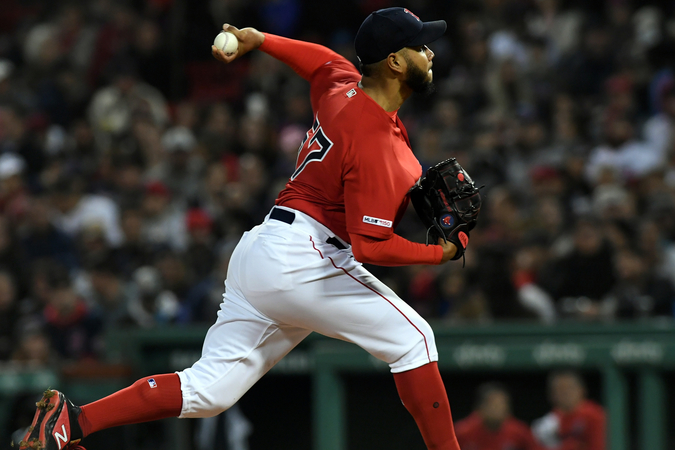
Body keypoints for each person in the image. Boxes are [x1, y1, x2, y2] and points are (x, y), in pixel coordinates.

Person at [18, 7, 464, 450]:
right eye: (419, 45)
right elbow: (369, 246)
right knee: (414, 339)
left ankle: (73, 422)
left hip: (263, 249)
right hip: (305, 258)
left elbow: (323, 62)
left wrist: (260, 39)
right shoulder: (376, 144)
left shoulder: (343, 88)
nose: (430, 52)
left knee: (209, 391)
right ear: (394, 62)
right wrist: (440, 253)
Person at [532, 370, 605, 450]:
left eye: (569, 388)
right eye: (559, 389)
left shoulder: (594, 415)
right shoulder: (547, 422)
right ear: (551, 394)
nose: (565, 393)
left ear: (582, 390)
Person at [455, 383, 539, 450]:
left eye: (503, 405)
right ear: (480, 408)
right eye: (494, 405)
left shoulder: (519, 431)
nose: (500, 409)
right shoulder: (462, 431)